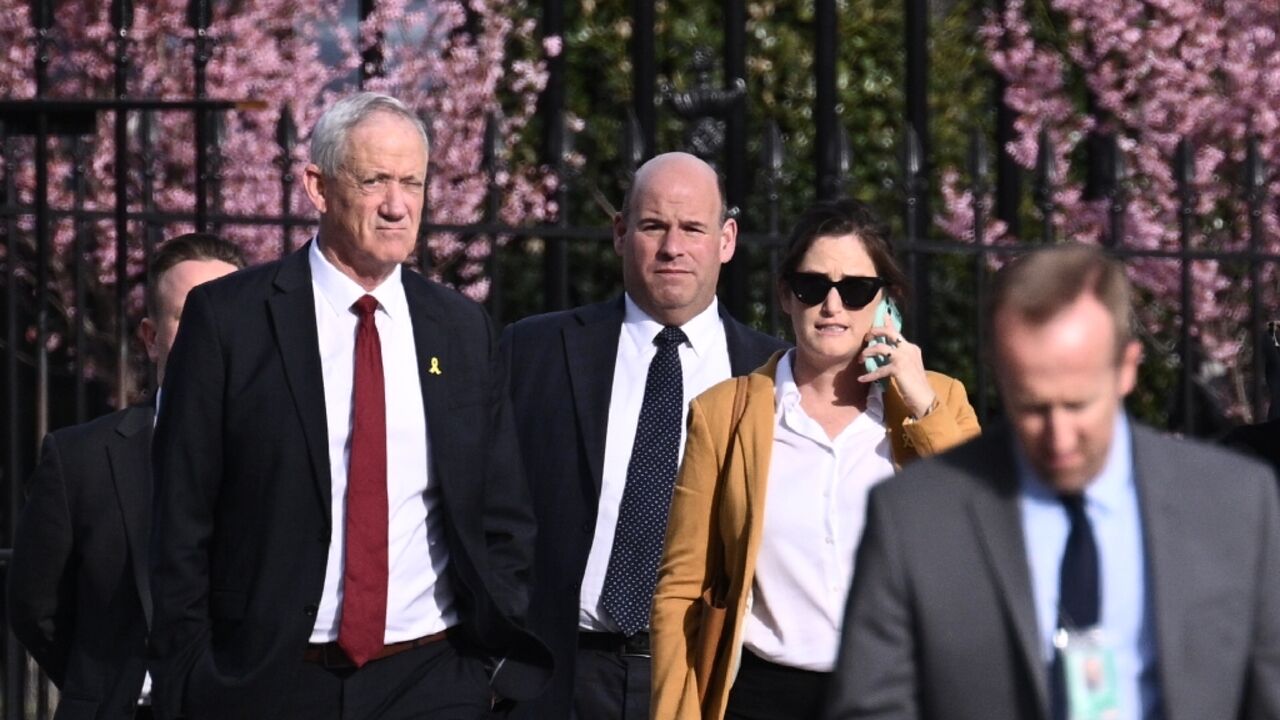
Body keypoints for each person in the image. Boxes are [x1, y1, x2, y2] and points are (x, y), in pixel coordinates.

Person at [149, 92, 549, 720]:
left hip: (432, 676)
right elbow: (180, 519)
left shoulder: (460, 328)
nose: (397, 204)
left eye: (412, 182)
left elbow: (501, 513)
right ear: (318, 186)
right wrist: (194, 678)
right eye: (375, 181)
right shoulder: (230, 320)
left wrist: (483, 674)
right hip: (269, 681)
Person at [823, 244, 1280, 720]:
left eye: (1079, 404)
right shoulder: (914, 516)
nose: (1059, 435)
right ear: (999, 371)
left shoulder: (1233, 504)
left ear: (1126, 368)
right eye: (1033, 406)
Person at [650, 198, 981, 720]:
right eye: (812, 286)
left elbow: (984, 531)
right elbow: (680, 590)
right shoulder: (725, 414)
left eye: (855, 289)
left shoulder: (938, 402)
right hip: (763, 697)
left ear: (885, 301)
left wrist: (921, 402)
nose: (832, 305)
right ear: (786, 294)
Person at [501, 151, 787, 719]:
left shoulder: (773, 375)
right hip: (555, 679)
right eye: (654, 225)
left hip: (703, 683)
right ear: (620, 233)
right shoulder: (532, 352)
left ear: (726, 240)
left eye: (693, 228)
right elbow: (486, 511)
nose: (672, 247)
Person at [7, 233, 245, 720]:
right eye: (191, 317)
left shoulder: (290, 453)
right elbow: (35, 606)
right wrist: (105, 683)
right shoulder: (81, 460)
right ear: (152, 337)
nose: (214, 333)